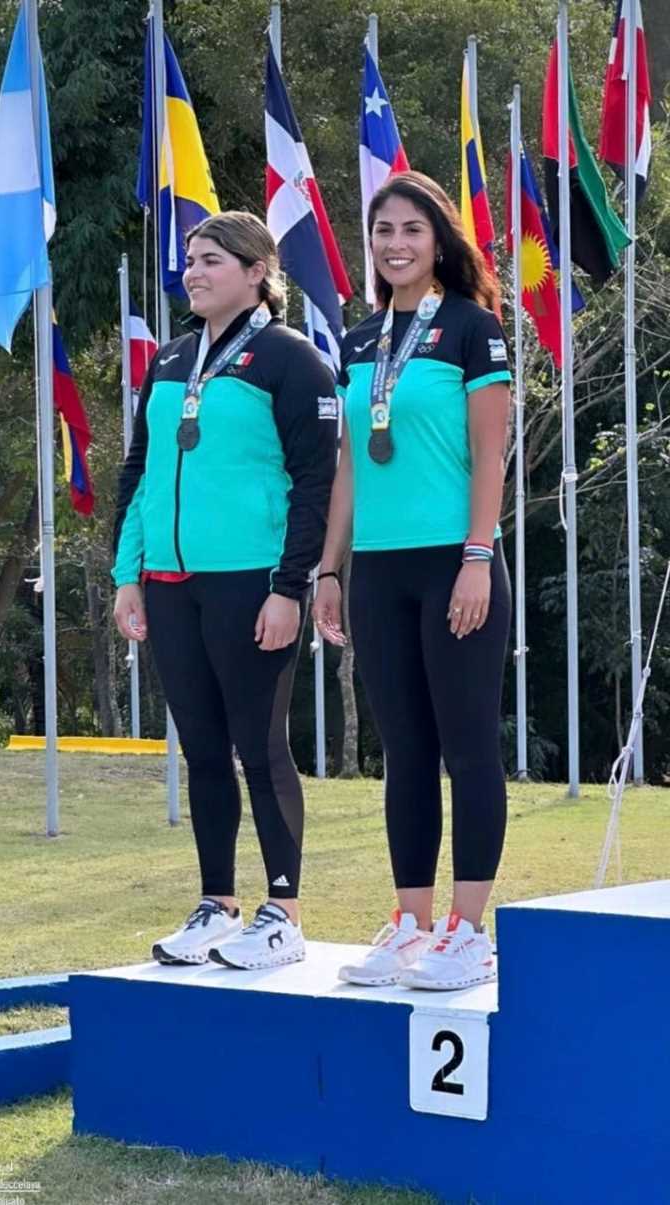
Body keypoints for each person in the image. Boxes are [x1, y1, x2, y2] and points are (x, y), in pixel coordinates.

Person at [112, 211, 337, 971]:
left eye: (210, 260)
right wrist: (127, 576)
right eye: (189, 259)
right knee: (203, 750)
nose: (194, 272)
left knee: (258, 746)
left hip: (253, 582)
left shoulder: (289, 359)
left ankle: (284, 911)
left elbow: (317, 483)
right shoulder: (169, 361)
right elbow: (137, 472)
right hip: (171, 583)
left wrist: (289, 586)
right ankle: (218, 903)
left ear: (255, 269)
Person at [313, 172, 512, 991]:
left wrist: (477, 553)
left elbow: (491, 454)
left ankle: (470, 931)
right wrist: (329, 568)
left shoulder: (473, 329)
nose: (396, 244)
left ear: (440, 240)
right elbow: (350, 468)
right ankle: (411, 923)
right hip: (379, 572)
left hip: (455, 562)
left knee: (467, 746)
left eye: (413, 230)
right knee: (405, 754)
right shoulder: (358, 344)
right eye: (383, 230)